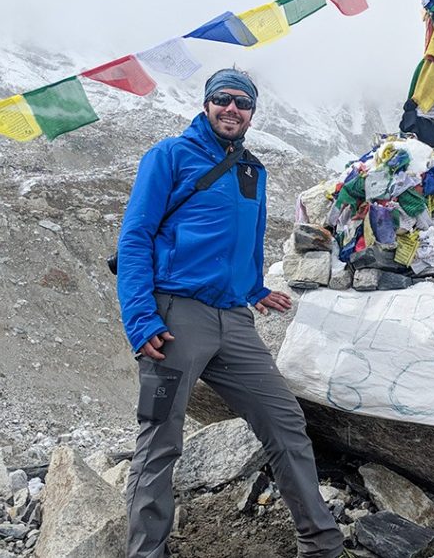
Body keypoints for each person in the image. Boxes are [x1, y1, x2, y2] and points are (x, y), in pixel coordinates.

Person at [116, 68, 351, 558]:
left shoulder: (252, 171)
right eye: (222, 98)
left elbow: (245, 242)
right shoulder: (169, 156)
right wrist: (141, 319)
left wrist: (253, 288)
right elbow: (135, 237)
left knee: (285, 420)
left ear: (252, 114)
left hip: (234, 320)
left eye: (242, 103)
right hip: (175, 316)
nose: (232, 108)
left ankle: (323, 545)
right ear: (206, 104)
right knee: (160, 440)